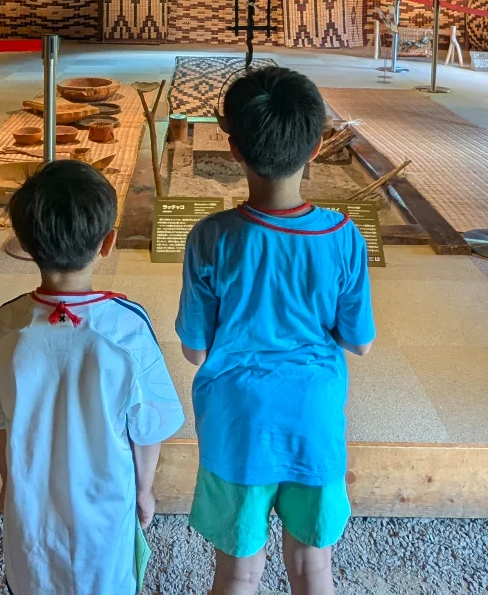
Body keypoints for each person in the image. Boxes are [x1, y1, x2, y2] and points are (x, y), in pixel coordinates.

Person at [176, 67, 376, 595]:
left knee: (238, 570)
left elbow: (195, 350)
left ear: (233, 147)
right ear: (316, 148)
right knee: (314, 567)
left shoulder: (210, 237)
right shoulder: (343, 235)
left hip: (238, 421)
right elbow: (360, 341)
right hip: (312, 417)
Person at [0, 160, 184, 595]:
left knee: (34, 575)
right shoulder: (126, 326)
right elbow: (150, 425)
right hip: (105, 505)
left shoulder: (8, 323)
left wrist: (10, 480)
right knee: (105, 578)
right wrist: (144, 491)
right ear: (109, 242)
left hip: (31, 505)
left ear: (25, 244)